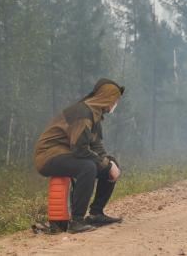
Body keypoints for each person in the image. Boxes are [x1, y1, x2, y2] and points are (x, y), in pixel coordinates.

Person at [34, 78, 125, 233]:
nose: (116, 104)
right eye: (116, 100)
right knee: (87, 167)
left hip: (66, 154)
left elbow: (96, 146)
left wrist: (109, 164)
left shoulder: (94, 115)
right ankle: (77, 221)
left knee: (110, 162)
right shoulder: (83, 113)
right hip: (48, 156)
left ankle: (96, 213)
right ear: (107, 98)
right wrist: (106, 165)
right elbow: (80, 150)